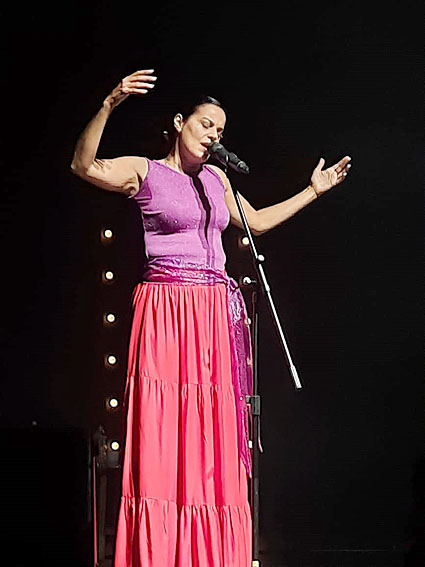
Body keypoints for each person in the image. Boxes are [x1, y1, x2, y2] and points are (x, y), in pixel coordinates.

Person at [71, 68, 351, 567]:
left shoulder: (217, 179)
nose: (213, 134)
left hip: (212, 314)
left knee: (210, 434)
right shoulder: (146, 172)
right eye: (205, 124)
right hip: (167, 309)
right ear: (180, 123)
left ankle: (210, 553)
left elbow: (255, 222)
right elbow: (84, 165)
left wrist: (313, 191)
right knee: (164, 429)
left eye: (220, 130)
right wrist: (111, 102)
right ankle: (160, 551)